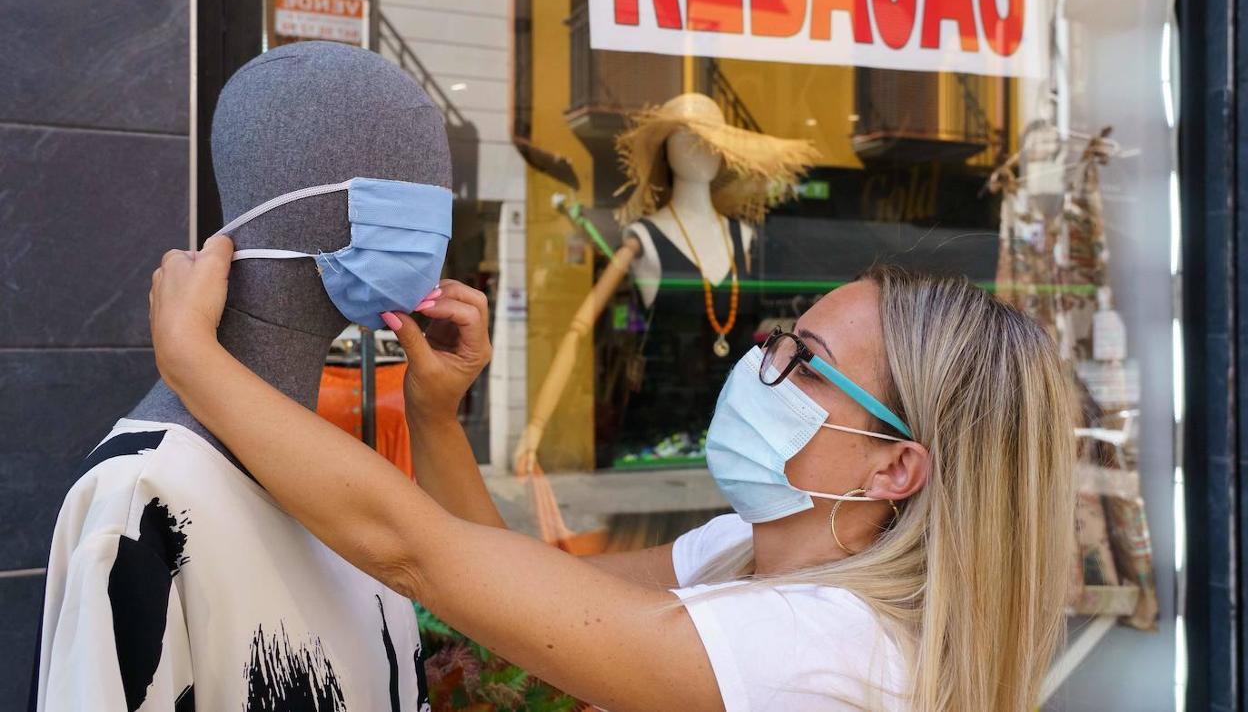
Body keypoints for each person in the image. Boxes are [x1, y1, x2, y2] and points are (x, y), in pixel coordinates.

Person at [147, 237, 1075, 711]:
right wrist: (437, 415)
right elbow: (516, 591)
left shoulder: (826, 653)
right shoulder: (749, 559)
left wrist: (195, 359)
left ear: (894, 468)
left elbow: (415, 553)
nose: (761, 362)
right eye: (780, 336)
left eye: (803, 359)